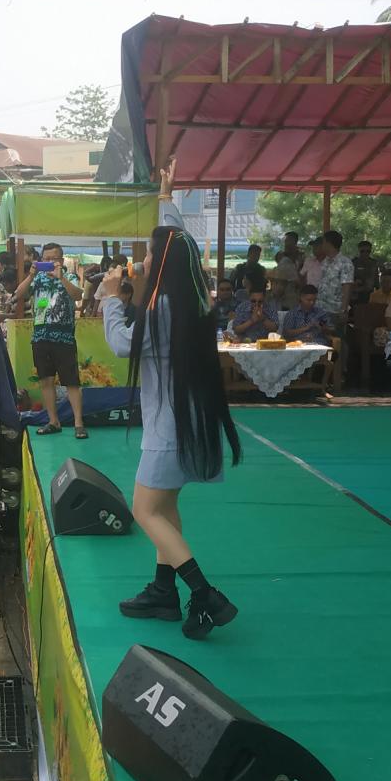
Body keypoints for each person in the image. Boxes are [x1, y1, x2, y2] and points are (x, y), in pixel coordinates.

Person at [98, 182, 242, 640]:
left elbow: (123, 345)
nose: (142, 259)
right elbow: (180, 239)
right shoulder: (194, 298)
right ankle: (163, 591)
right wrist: (165, 198)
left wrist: (108, 298)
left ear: (161, 263)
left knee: (144, 511)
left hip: (168, 427)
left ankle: (205, 595)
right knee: (165, 506)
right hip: (191, 420)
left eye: (148, 254)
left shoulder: (161, 308)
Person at [10, 243, 87, 439]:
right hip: (40, 336)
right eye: (46, 259)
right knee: (46, 380)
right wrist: (30, 275)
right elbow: (18, 294)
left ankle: (79, 423)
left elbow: (78, 295)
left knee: (71, 382)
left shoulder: (69, 277)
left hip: (64, 337)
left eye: (54, 258)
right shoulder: (38, 278)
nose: (50, 262)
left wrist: (61, 277)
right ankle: (53, 421)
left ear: (61, 260)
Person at [316, 231, 355, 322]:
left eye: (323, 242)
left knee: (334, 331)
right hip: (320, 308)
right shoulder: (325, 261)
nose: (322, 245)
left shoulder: (345, 262)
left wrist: (343, 310)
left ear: (328, 243)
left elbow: (347, 287)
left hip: (335, 311)